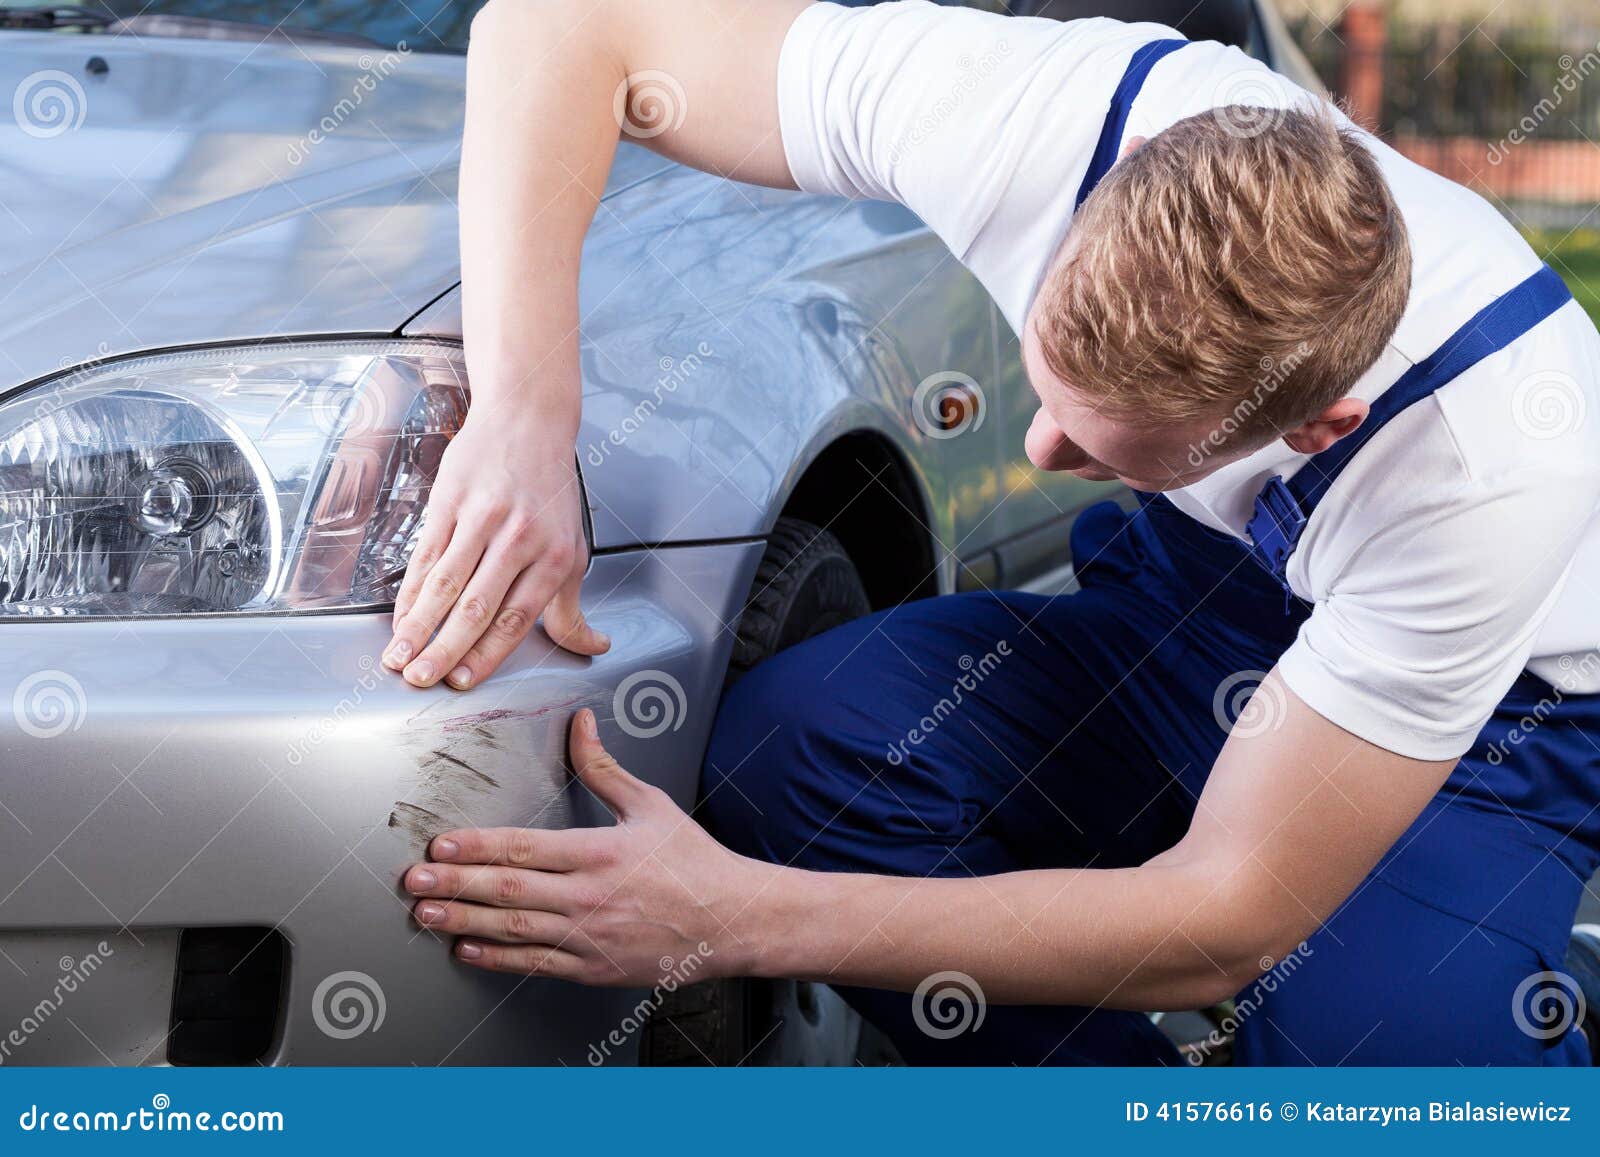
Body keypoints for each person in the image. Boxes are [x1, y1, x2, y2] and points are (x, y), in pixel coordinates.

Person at [394, 0, 1600, 1065]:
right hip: (1192, 613)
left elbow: (1228, 917)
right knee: (796, 751)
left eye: (1104, 446)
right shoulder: (1042, 114)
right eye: (1048, 388)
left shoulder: (1491, 464)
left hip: (1486, 732)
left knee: (1390, 1075)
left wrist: (735, 918)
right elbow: (561, 23)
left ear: (1315, 428)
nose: (1040, 456)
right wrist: (521, 415)